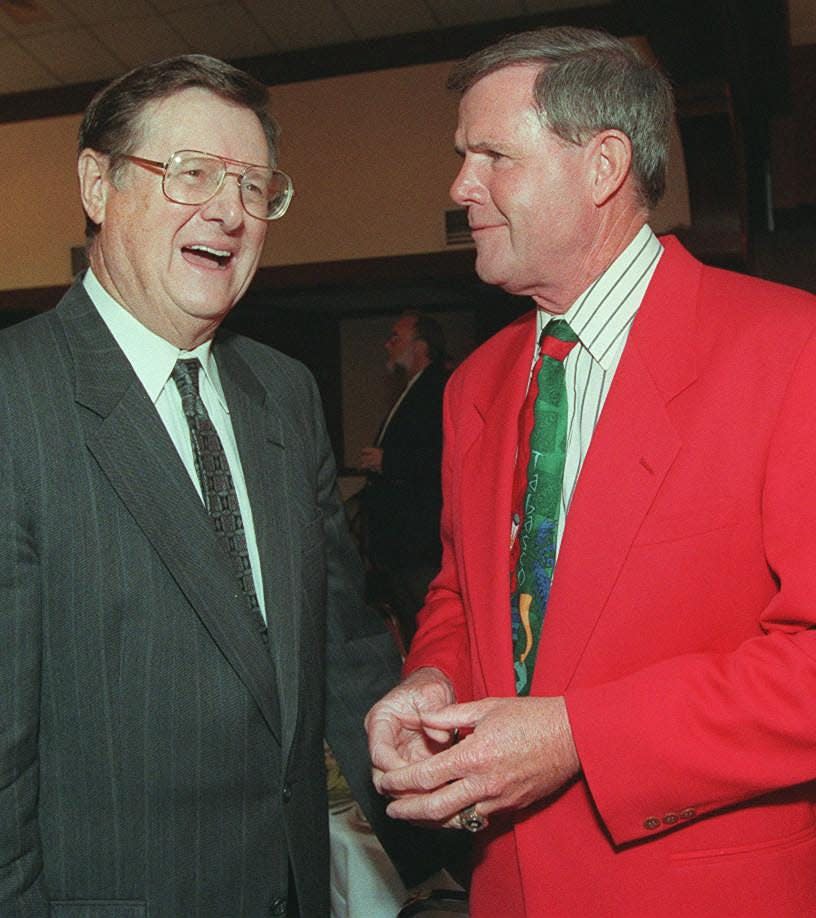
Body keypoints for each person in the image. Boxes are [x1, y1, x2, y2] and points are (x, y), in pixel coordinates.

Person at [366, 26, 816, 917]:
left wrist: (579, 737)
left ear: (603, 164)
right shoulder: (477, 388)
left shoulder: (786, 347)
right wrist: (433, 685)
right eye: (462, 156)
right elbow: (464, 594)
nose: (460, 189)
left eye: (491, 155)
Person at [0, 54, 448, 918]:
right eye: (192, 174)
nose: (229, 211)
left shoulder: (281, 392)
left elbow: (340, 638)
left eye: (254, 186)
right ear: (98, 183)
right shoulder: (19, 401)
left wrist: (436, 824)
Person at [360, 311, 448, 645]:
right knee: (410, 621)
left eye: (396, 338)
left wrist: (390, 460)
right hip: (400, 542)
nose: (388, 345)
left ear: (420, 347)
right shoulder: (411, 389)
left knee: (426, 623)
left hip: (418, 539)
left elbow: (442, 455)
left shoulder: (438, 387)